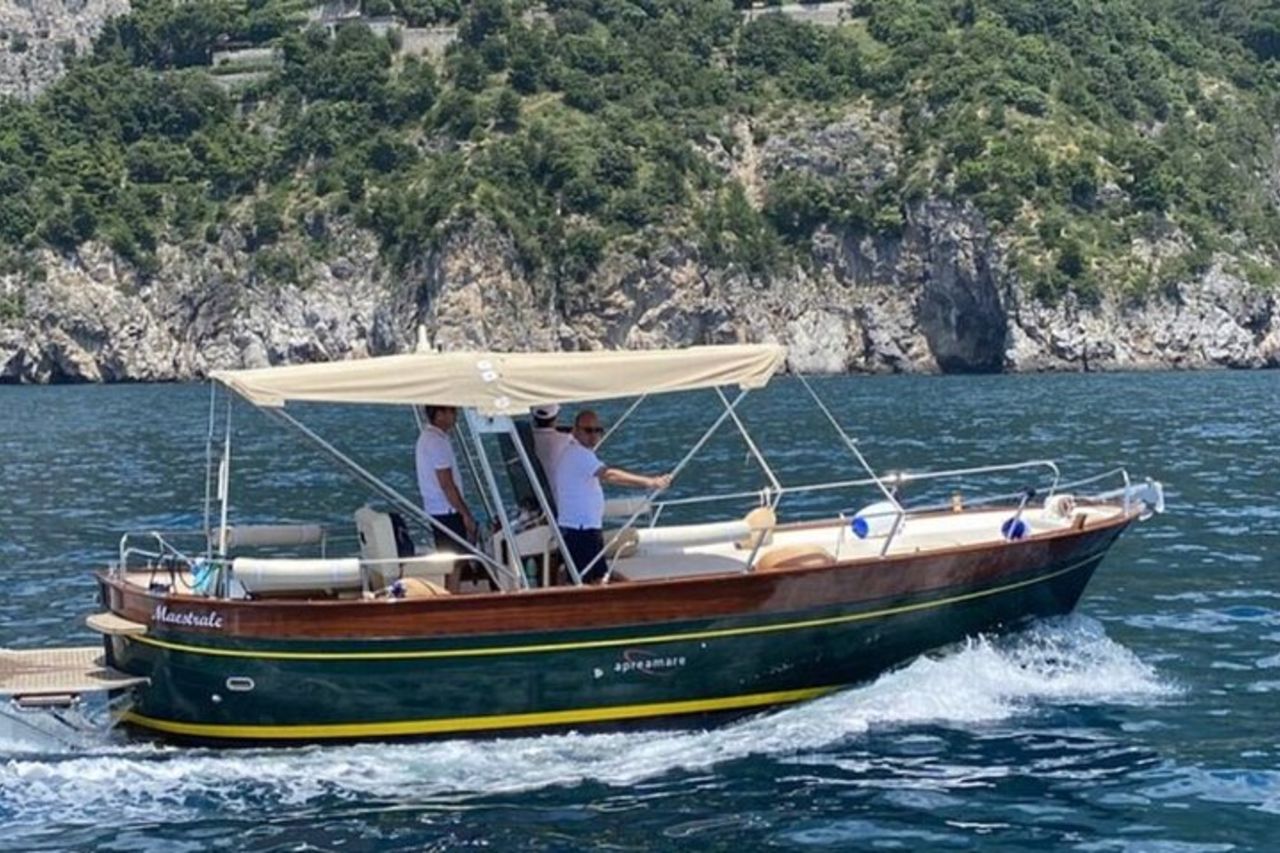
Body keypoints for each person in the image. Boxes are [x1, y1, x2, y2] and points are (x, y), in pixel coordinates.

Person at [553, 409, 672, 584]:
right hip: (580, 529)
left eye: (597, 430)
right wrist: (650, 482)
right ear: (575, 431)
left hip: (584, 527)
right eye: (588, 430)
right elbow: (610, 475)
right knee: (588, 577)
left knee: (594, 574)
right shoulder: (579, 454)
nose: (593, 435)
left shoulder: (578, 453)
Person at [415, 405, 476, 554]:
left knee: (451, 558)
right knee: (456, 560)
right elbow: (447, 484)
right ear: (439, 414)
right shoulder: (437, 442)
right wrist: (465, 514)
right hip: (447, 510)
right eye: (452, 411)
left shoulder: (427, 437)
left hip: (436, 508)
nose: (456, 415)